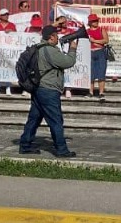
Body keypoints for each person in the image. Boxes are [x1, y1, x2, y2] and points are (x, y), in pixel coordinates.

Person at [16, 25, 77, 158]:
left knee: (34, 118)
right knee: (56, 120)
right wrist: (73, 48)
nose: (58, 38)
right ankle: (61, 149)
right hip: (48, 90)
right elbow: (68, 62)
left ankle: (25, 145)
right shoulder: (50, 50)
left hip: (38, 89)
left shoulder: (39, 48)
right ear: (51, 37)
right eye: (56, 35)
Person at [0, 8, 17, 95]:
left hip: (8, 51)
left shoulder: (12, 25)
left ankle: (8, 87)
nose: (6, 16)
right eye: (4, 14)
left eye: (7, 14)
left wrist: (12, 32)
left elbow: (17, 37)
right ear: (0, 16)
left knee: (8, 68)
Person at [87, 13, 110, 102]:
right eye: (94, 21)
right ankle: (91, 92)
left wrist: (94, 41)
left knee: (101, 72)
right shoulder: (87, 31)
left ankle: (101, 92)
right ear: (90, 22)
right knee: (90, 72)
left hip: (100, 52)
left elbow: (106, 40)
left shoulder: (101, 29)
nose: (96, 22)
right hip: (90, 52)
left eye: (97, 20)